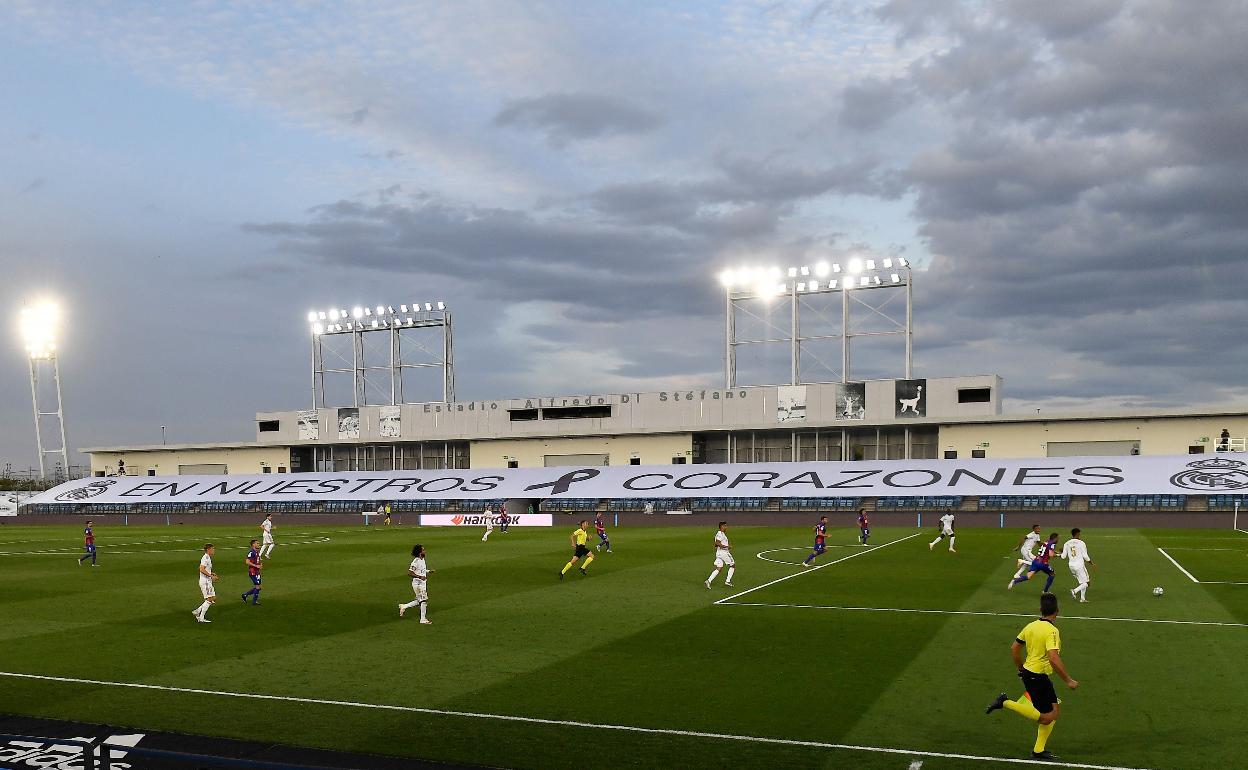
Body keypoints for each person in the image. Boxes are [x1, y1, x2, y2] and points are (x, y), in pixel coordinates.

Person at [985, 592, 1078, 761]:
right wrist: (1068, 680)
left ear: (1040, 610)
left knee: (1054, 709)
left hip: (1032, 674)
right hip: (1037, 677)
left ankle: (1038, 750)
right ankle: (1005, 702)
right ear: (1057, 611)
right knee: (1047, 717)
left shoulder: (1031, 626)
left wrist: (1021, 668)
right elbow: (1053, 657)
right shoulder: (1052, 631)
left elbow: (1014, 648)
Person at [399, 544, 433, 624]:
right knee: (424, 600)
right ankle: (423, 619)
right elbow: (410, 573)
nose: (425, 551)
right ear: (419, 552)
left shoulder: (422, 559)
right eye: (423, 550)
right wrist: (420, 577)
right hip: (418, 584)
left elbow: (421, 570)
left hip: (422, 583)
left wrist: (428, 571)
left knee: (419, 600)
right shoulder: (415, 562)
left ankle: (404, 606)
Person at [1060, 528, 1095, 603]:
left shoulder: (1066, 543)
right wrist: (1092, 563)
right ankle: (1074, 591)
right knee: (1087, 583)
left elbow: (1063, 556)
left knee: (1083, 582)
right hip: (1079, 565)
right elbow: (1085, 556)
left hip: (1071, 566)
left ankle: (1082, 599)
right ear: (1077, 534)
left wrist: (1058, 553)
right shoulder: (1081, 543)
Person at [704, 521, 734, 589]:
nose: (727, 527)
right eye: (725, 526)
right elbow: (717, 543)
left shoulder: (720, 534)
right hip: (724, 553)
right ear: (722, 526)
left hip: (719, 553)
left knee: (719, 568)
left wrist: (723, 546)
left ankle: (708, 581)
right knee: (733, 565)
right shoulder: (720, 534)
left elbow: (715, 544)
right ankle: (727, 581)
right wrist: (727, 547)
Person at [193, 544, 218, 623]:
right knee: (209, 600)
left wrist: (211, 573)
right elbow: (201, 569)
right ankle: (201, 618)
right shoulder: (206, 557)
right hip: (205, 581)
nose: (214, 550)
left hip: (207, 581)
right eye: (213, 549)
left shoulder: (207, 558)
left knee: (213, 598)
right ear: (208, 549)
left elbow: (201, 568)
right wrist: (211, 576)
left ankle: (197, 611)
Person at [241, 539, 263, 605]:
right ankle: (254, 602)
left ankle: (245, 595)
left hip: (257, 572)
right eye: (257, 543)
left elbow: (257, 560)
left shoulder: (256, 552)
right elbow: (247, 562)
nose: (259, 544)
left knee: (259, 587)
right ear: (253, 544)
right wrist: (256, 566)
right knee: (258, 587)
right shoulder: (251, 552)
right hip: (253, 572)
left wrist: (259, 564)